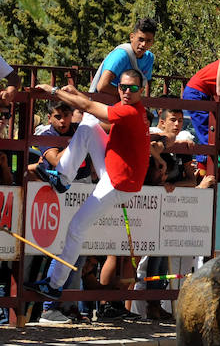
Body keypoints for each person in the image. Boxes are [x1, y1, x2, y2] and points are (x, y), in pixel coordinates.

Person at [26, 70, 151, 321]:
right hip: (113, 171)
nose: (127, 92)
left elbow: (88, 106)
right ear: (118, 87)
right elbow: (90, 110)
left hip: (117, 183)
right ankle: (63, 177)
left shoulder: (129, 111)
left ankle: (54, 285)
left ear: (142, 90)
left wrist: (53, 91)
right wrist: (76, 94)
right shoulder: (127, 107)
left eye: (133, 88)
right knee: (87, 125)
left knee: (76, 228)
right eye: (123, 87)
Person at [89, 18, 157, 94]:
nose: (144, 44)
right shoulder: (120, 55)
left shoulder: (149, 58)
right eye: (141, 39)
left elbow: (142, 86)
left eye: (148, 41)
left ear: (152, 42)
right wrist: (128, 94)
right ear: (132, 37)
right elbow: (102, 86)